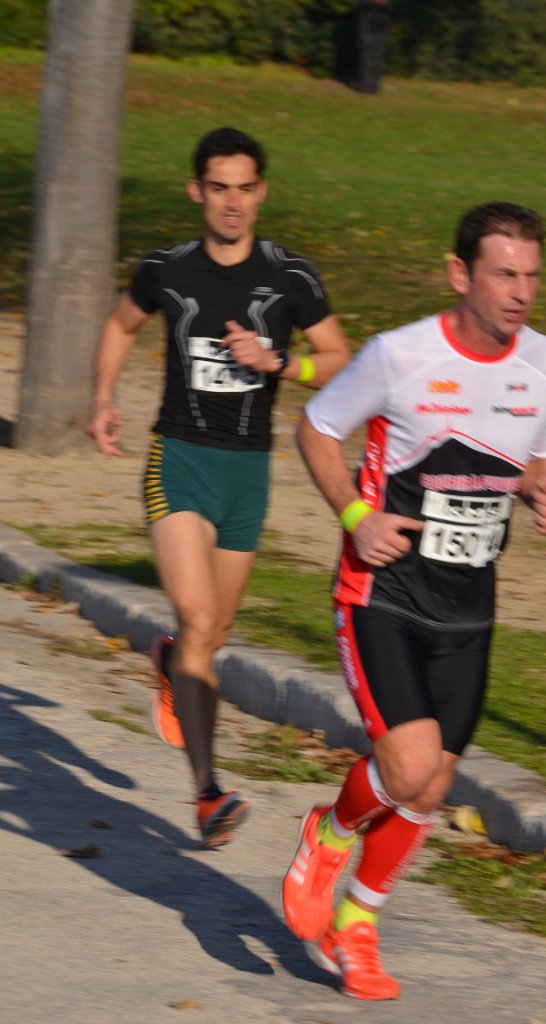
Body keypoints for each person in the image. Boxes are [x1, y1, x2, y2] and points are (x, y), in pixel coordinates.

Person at [281, 202, 546, 999]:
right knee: (406, 766)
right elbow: (315, 429)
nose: (520, 292)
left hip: (468, 606)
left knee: (434, 788)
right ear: (459, 275)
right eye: (503, 275)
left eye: (531, 276)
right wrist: (355, 516)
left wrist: (545, 493)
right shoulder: (398, 355)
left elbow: (537, 460)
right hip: (383, 591)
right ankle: (330, 832)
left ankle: (356, 923)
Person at [88, 127, 350, 850]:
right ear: (196, 191)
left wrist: (279, 363)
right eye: (218, 188)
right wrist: (102, 396)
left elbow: (338, 356)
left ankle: (174, 660)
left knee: (213, 634)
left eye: (244, 188)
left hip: (248, 474)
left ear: (261, 192)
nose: (232, 202)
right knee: (203, 623)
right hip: (179, 461)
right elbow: (119, 325)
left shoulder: (290, 277)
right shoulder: (166, 270)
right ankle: (207, 793)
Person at [356, 0, 391, 94]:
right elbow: (358, 5)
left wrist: (384, 3)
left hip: (381, 29)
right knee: (366, 56)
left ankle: (374, 86)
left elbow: (392, 9)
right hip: (366, 26)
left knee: (377, 58)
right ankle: (365, 86)